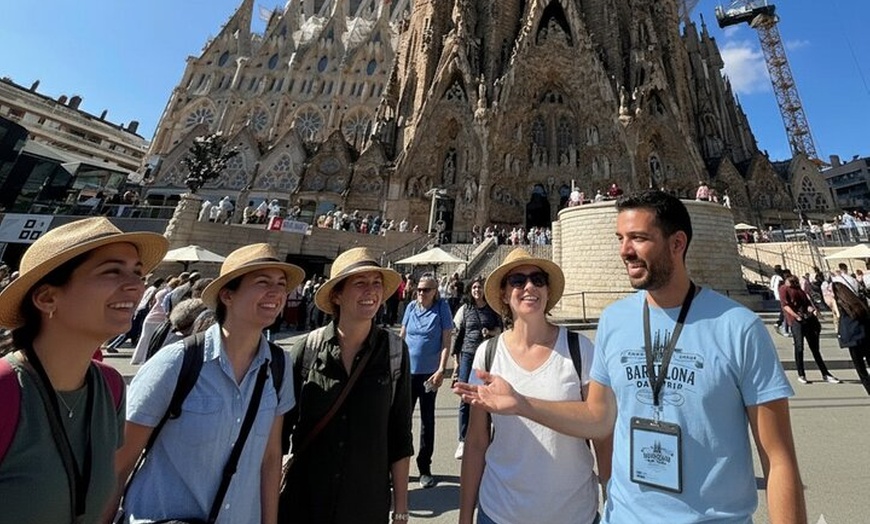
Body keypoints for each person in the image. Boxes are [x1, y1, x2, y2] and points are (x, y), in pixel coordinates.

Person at [456, 190, 807, 523]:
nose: (624, 251)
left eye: (637, 238)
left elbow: (779, 461)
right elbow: (597, 420)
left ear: (677, 243)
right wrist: (520, 403)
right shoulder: (614, 321)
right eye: (620, 239)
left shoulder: (740, 328)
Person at [114, 243, 304, 523]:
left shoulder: (278, 365)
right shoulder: (177, 361)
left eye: (281, 283)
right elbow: (120, 464)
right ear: (227, 294)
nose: (276, 292)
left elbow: (271, 458)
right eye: (263, 282)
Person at [0, 217, 168, 523]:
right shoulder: (5, 389)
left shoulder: (111, 386)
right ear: (47, 297)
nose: (136, 286)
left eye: (138, 272)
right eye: (112, 271)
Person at [459, 250, 609, 524]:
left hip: (573, 514)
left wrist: (612, 501)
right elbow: (477, 442)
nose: (529, 287)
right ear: (504, 294)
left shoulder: (580, 350)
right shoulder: (487, 354)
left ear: (548, 291)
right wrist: (465, 516)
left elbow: (601, 433)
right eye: (517, 280)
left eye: (538, 280)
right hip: (500, 513)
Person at [279, 247, 413, 523]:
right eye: (360, 283)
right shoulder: (306, 350)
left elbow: (400, 435)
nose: (372, 291)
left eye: (376, 283)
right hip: (305, 502)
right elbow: (277, 438)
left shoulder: (394, 352)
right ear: (336, 295)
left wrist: (401, 509)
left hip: (365, 503)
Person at [400, 274, 452, 489]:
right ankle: (400, 465)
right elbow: (402, 336)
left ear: (435, 291)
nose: (421, 293)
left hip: (430, 374)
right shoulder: (411, 307)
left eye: (426, 290)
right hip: (407, 372)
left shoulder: (442, 309)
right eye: (419, 289)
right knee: (402, 421)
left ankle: (424, 467)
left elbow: (446, 341)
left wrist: (441, 369)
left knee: (427, 421)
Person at [450, 276, 502, 460]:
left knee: (488, 396)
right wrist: (456, 363)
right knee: (465, 397)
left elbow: (500, 330)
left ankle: (489, 438)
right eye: (474, 287)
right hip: (469, 355)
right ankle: (463, 439)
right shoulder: (465, 309)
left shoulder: (492, 309)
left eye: (479, 287)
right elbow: (458, 335)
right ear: (470, 290)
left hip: (488, 356)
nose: (477, 290)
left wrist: (491, 332)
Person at [781, 274, 841, 385]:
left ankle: (825, 373)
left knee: (815, 348)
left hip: (808, 320)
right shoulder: (784, 289)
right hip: (796, 321)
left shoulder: (799, 290)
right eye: (792, 281)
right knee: (799, 347)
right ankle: (801, 374)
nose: (793, 283)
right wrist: (796, 316)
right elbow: (785, 306)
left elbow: (807, 304)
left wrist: (813, 310)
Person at [831, 282, 870, 395]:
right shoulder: (857, 301)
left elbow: (838, 316)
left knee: (861, 369)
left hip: (853, 339)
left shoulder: (840, 303)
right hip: (865, 335)